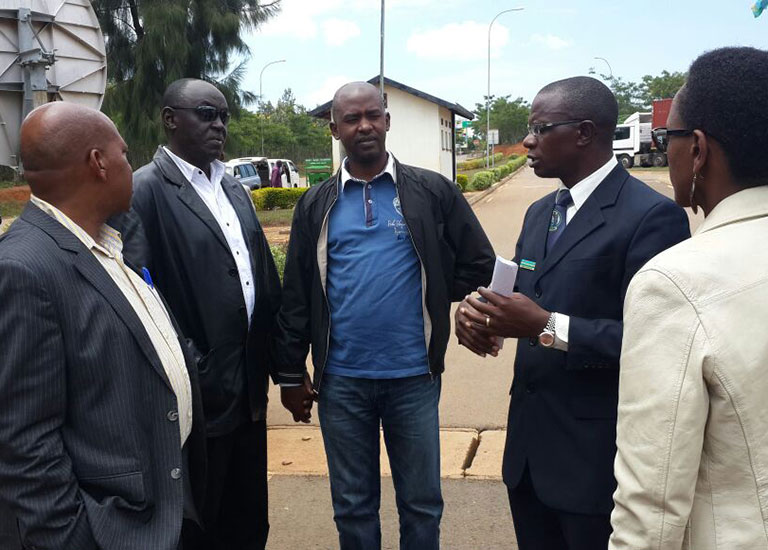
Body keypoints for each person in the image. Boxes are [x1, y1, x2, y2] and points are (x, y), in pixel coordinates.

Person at [455, 76, 690, 550]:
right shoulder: (541, 212)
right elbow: (526, 293)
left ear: (584, 132)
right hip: (527, 458)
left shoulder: (651, 217)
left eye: (541, 129)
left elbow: (658, 344)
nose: (528, 140)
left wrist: (544, 326)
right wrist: (480, 313)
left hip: (593, 463)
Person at [0, 102, 207, 550]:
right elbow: (22, 444)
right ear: (98, 163)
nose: (130, 165)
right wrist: (75, 536)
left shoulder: (106, 244)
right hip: (106, 529)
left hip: (156, 512)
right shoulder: (23, 269)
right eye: (123, 154)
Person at [272, 81, 494, 550]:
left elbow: (479, 264)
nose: (365, 125)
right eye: (351, 119)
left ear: (387, 121)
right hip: (341, 382)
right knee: (353, 506)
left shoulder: (432, 191)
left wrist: (437, 294)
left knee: (421, 504)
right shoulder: (315, 204)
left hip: (413, 377)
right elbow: (297, 294)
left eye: (373, 115)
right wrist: (291, 373)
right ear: (335, 129)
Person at [609, 47, 768, 550]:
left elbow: (651, 507)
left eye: (667, 138)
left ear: (697, 149)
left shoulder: (676, 283)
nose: (666, 150)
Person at [117, 78, 281, 549]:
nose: (219, 125)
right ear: (171, 119)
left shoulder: (233, 189)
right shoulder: (143, 191)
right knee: (200, 526)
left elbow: (262, 280)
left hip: (248, 391)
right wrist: (197, 366)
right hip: (196, 398)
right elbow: (140, 295)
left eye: (224, 116)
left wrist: (280, 365)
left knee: (248, 520)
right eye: (207, 114)